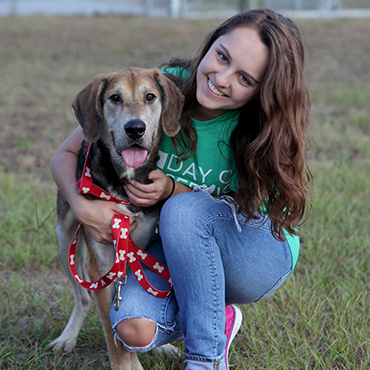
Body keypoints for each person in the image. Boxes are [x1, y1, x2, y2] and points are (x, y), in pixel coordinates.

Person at [50, 8, 311, 370]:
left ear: (261, 91)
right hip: (185, 251)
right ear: (210, 43)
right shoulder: (164, 87)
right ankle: (213, 316)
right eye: (222, 56)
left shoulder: (258, 128)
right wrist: (82, 207)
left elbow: (248, 210)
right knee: (132, 330)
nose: (221, 78)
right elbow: (65, 152)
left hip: (255, 251)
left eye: (245, 78)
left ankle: (205, 359)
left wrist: (174, 189)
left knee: (181, 210)